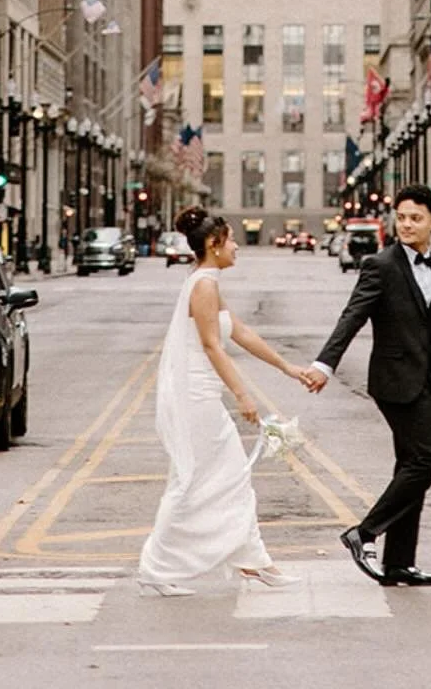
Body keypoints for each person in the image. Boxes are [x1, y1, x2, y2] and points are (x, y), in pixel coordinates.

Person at [138, 206, 317, 596]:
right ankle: (158, 566)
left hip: (200, 395)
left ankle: (253, 562)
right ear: (213, 244)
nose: (237, 246)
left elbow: (239, 331)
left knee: (220, 478)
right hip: (197, 398)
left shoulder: (208, 282)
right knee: (194, 481)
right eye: (232, 239)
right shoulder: (203, 285)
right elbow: (212, 346)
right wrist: (242, 395)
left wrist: (287, 367)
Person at [306, 184, 431, 588]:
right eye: (402, 217)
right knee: (427, 461)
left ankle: (399, 564)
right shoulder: (380, 265)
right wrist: (324, 364)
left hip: (430, 384)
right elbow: (353, 317)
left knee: (409, 467)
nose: (407, 224)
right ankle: (364, 533)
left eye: (416, 218)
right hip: (395, 382)